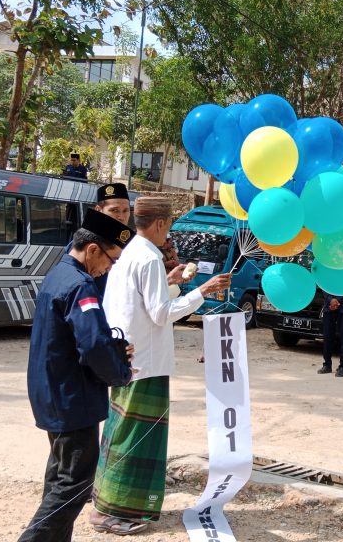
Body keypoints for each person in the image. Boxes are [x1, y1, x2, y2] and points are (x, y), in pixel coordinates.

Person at [90, 197, 231, 535]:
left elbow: (142, 301)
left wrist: (174, 280)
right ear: (159, 224)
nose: (168, 231)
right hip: (147, 362)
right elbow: (161, 313)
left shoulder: (128, 252)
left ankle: (105, 503)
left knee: (120, 431)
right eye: (168, 225)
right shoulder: (149, 257)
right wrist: (204, 291)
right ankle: (122, 510)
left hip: (125, 355)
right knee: (138, 438)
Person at [19, 210, 134, 542]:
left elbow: (74, 338)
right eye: (112, 259)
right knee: (76, 483)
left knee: (60, 478)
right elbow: (94, 345)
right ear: (94, 250)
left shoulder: (58, 275)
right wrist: (121, 372)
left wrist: (113, 348)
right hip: (71, 397)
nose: (110, 268)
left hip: (53, 391)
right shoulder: (80, 285)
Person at [319, 292, 343, 376]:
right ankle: (327, 365)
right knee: (327, 336)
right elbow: (323, 285)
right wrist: (330, 299)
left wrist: (337, 301)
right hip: (329, 306)